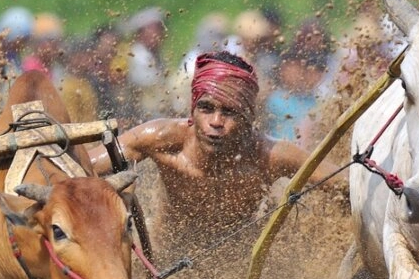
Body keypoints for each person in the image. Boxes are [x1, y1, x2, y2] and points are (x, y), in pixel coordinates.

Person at [87, 51, 342, 250]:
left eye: (229, 112)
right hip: (166, 256)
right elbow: (84, 168)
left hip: (238, 265)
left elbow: (343, 181)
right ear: (193, 110)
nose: (216, 122)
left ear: (248, 119)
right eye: (206, 108)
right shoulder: (161, 138)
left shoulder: (270, 155)